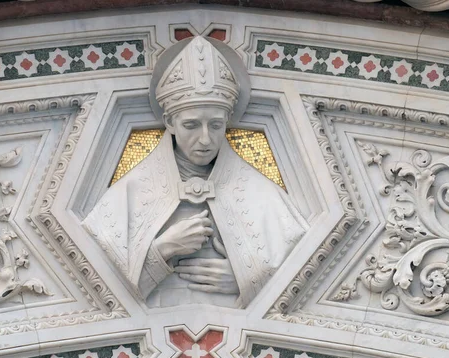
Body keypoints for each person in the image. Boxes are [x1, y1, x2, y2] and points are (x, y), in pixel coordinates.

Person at [82, 36, 308, 308]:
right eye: (191, 125)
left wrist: (244, 278)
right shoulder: (131, 191)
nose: (205, 139)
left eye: (215, 125)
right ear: (169, 122)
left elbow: (299, 277)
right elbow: (101, 293)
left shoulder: (260, 192)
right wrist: (163, 249)